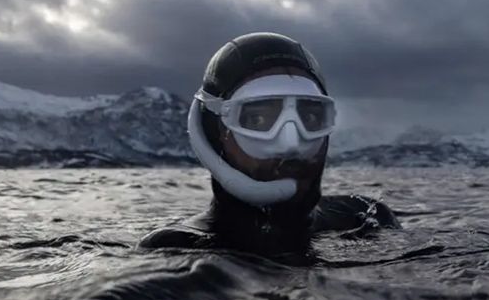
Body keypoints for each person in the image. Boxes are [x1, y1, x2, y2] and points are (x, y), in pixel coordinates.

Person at [139, 32, 396, 254]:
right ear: (214, 132)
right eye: (258, 119)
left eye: (310, 117)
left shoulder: (365, 217)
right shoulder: (175, 249)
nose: (291, 144)